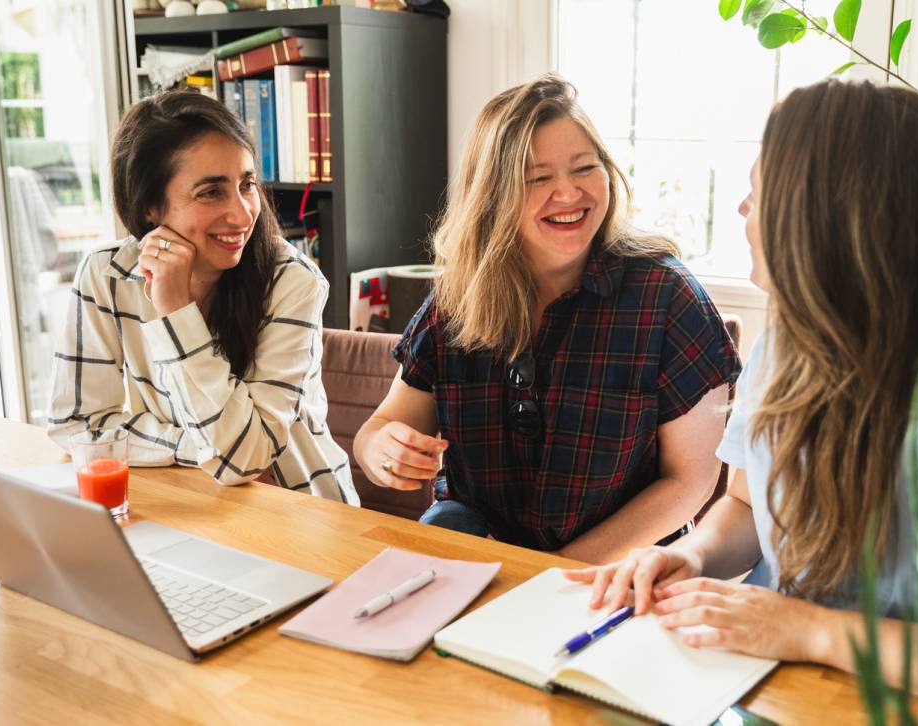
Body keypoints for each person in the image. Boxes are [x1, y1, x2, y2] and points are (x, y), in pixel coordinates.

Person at [566, 79, 918, 722]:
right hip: (766, 688)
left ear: (831, 221)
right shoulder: (790, 341)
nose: (744, 209)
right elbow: (749, 505)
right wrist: (687, 557)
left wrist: (810, 631)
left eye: (761, 190)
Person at [353, 74, 740, 564]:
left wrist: (552, 575)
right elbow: (379, 428)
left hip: (618, 565)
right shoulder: (457, 298)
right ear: (491, 195)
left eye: (585, 168)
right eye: (537, 178)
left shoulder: (667, 297)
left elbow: (690, 481)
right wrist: (381, 451)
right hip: (472, 551)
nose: (569, 193)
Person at [48, 90, 356, 503]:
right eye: (211, 192)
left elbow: (244, 459)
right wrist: (195, 446)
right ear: (150, 209)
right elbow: (76, 424)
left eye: (246, 184)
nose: (244, 213)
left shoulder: (294, 281)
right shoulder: (108, 275)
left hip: (299, 509)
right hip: (189, 500)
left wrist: (176, 311)